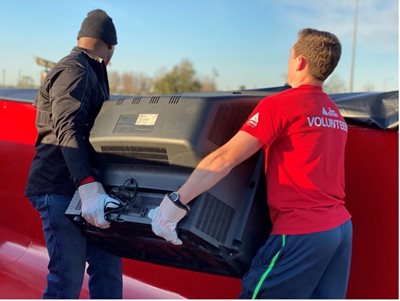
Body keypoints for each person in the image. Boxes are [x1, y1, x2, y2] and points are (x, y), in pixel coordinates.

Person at [148, 28, 353, 299]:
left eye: (290, 55)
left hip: (300, 233)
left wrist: (175, 203)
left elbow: (225, 158)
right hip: (339, 230)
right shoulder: (333, 112)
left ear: (300, 62)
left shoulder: (280, 105)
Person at [25, 9, 123, 299]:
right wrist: (87, 183)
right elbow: (68, 128)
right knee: (66, 280)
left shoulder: (89, 69)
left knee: (107, 269)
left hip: (83, 191)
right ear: (109, 45)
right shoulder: (74, 69)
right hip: (59, 187)